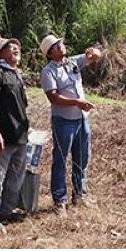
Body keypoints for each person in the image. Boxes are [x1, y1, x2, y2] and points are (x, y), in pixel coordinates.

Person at [39, 33, 103, 214]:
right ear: (50, 54)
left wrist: (93, 53)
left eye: (61, 44)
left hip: (81, 119)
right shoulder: (48, 71)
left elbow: (97, 56)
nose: (61, 47)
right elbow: (53, 97)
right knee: (61, 159)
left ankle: (80, 194)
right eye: (56, 46)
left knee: (82, 157)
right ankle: (59, 200)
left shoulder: (73, 62)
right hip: (63, 121)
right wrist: (76, 103)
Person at [0, 37, 30, 234]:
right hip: (2, 137)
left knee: (15, 177)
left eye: (17, 46)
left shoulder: (17, 75)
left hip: (20, 136)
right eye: (10, 47)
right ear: (0, 53)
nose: (16, 49)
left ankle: (7, 212)